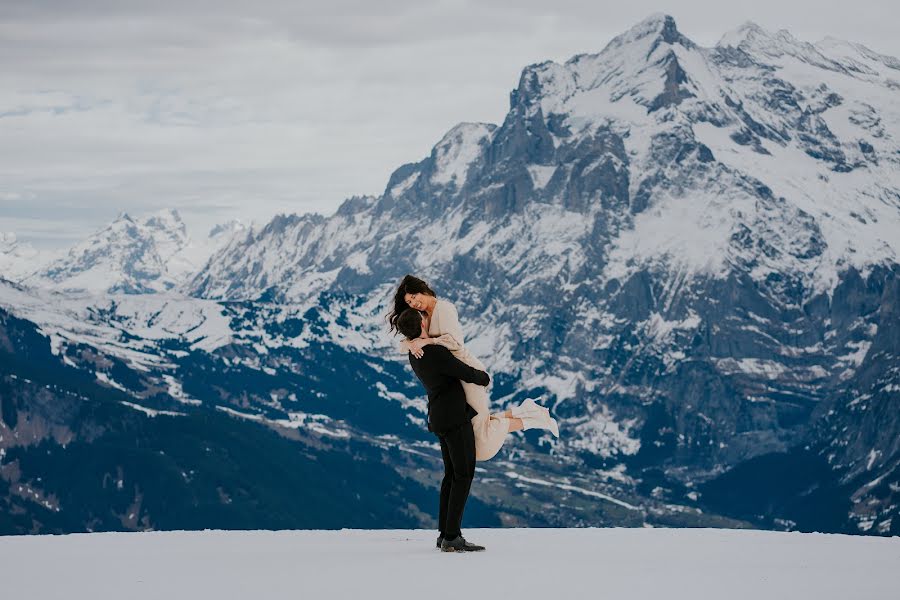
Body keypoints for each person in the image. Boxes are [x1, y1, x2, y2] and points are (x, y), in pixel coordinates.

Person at [387, 274, 559, 464]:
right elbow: (410, 339)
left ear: (422, 289)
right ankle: (528, 411)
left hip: (467, 371)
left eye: (414, 297)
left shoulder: (444, 309)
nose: (413, 303)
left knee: (479, 443)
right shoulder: (422, 316)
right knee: (475, 426)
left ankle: (536, 419)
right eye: (409, 302)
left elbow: (455, 344)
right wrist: (410, 344)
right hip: (454, 375)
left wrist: (427, 341)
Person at [395, 307, 487, 552]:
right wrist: (484, 377)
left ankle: (445, 534)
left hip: (439, 417)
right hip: (454, 417)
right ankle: (452, 536)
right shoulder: (434, 352)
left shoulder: (415, 353)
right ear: (423, 325)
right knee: (464, 474)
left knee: (451, 475)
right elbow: (464, 372)